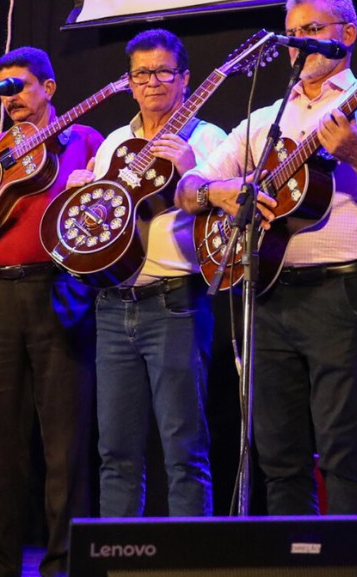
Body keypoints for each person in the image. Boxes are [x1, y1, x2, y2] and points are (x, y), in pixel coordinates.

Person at [177, 0, 357, 515]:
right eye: (293, 35)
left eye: (312, 30)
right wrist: (220, 192)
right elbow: (188, 187)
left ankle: (354, 560)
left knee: (344, 455)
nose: (300, 44)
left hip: (343, 293)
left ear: (348, 34)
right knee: (279, 458)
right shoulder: (265, 121)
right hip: (267, 294)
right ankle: (293, 557)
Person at [0, 47, 104, 577]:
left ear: (48, 88)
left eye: (20, 86)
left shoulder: (84, 140)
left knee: (65, 437)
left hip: (60, 289)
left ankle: (65, 561)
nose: (10, 97)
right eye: (3, 89)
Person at [66, 29, 226, 517]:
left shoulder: (209, 138)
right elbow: (102, 220)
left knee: (184, 450)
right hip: (113, 305)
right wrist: (82, 191)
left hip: (176, 303)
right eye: (141, 74)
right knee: (115, 451)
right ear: (130, 82)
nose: (152, 82)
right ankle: (117, 554)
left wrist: (195, 170)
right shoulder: (117, 141)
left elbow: (229, 220)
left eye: (162, 72)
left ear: (185, 78)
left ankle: (187, 556)